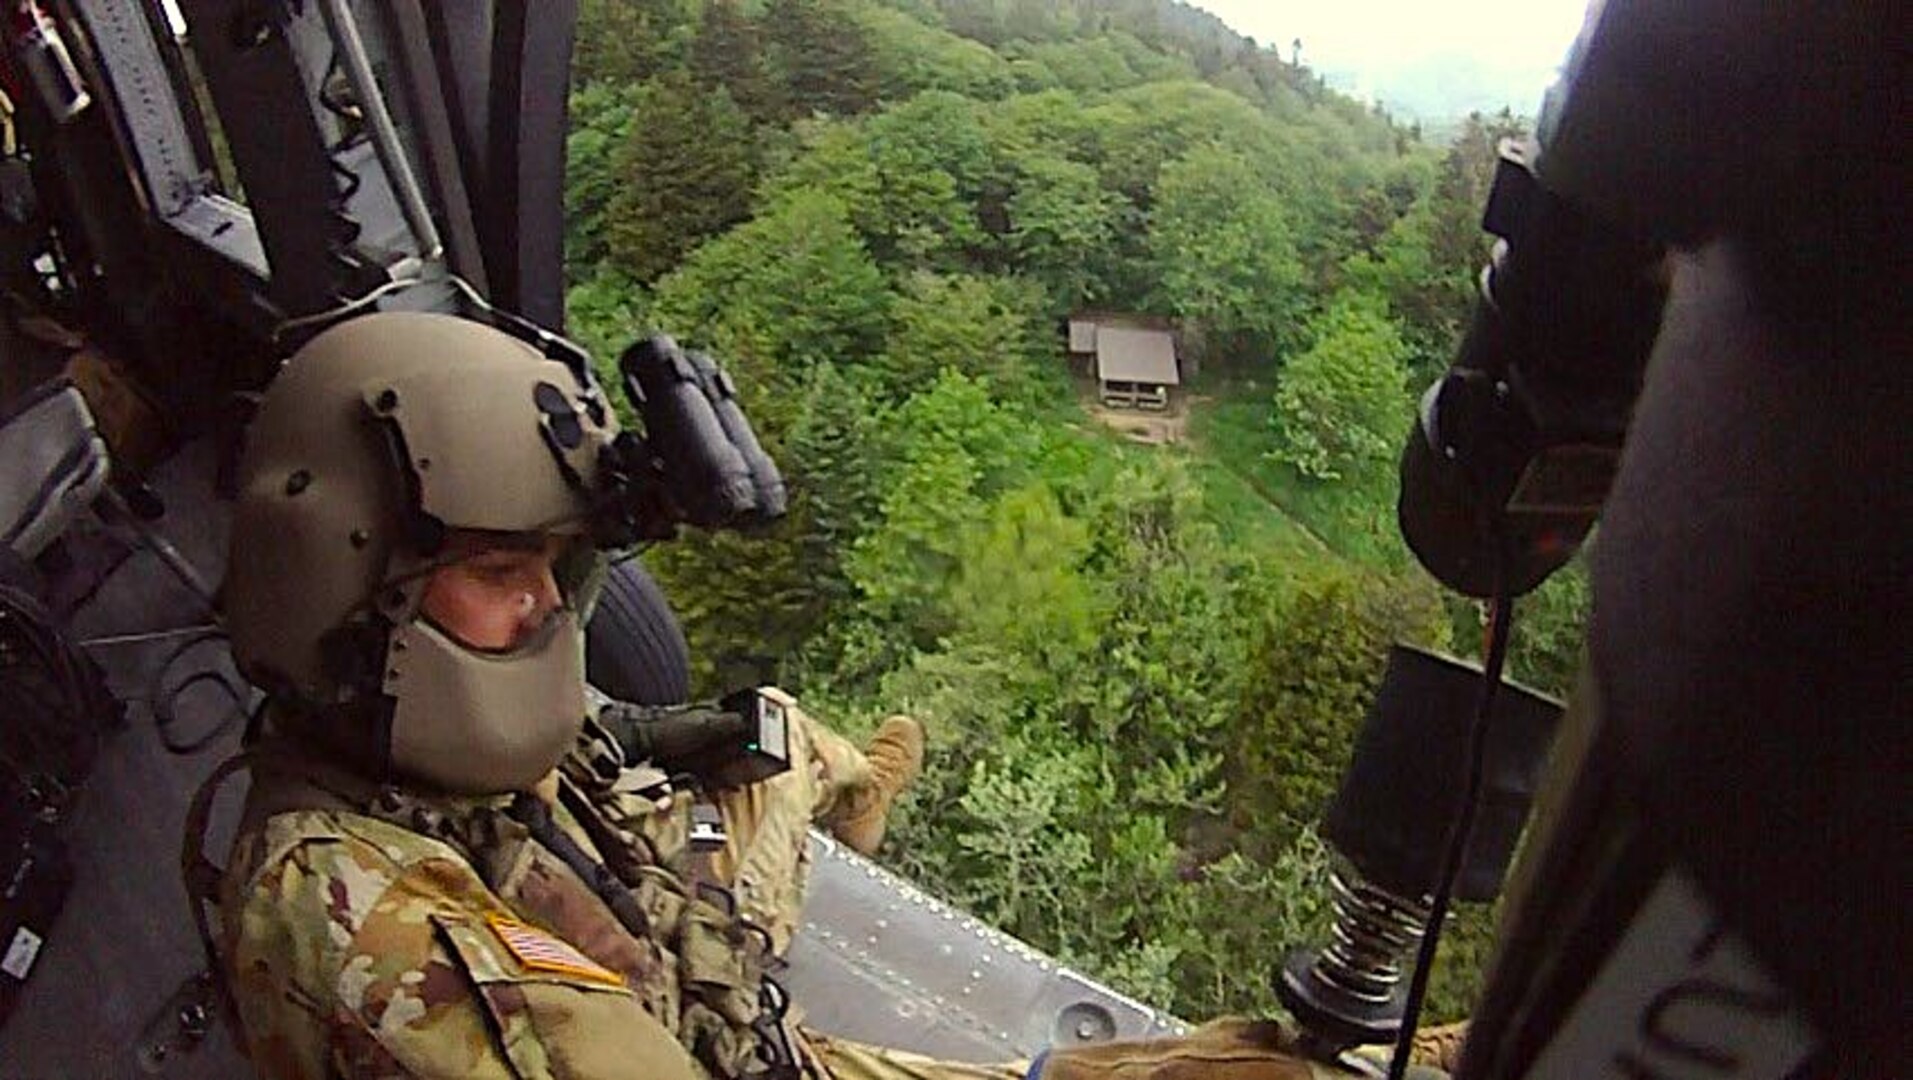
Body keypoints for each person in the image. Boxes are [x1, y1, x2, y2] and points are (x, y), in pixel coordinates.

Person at [199, 311, 1448, 1080]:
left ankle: (857, 799)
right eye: (493, 568)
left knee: (776, 733)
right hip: (725, 1038)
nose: (538, 608)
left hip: (696, 974)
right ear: (347, 574)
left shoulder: (412, 728)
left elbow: (581, 753)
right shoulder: (355, 917)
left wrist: (653, 734)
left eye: (553, 566)